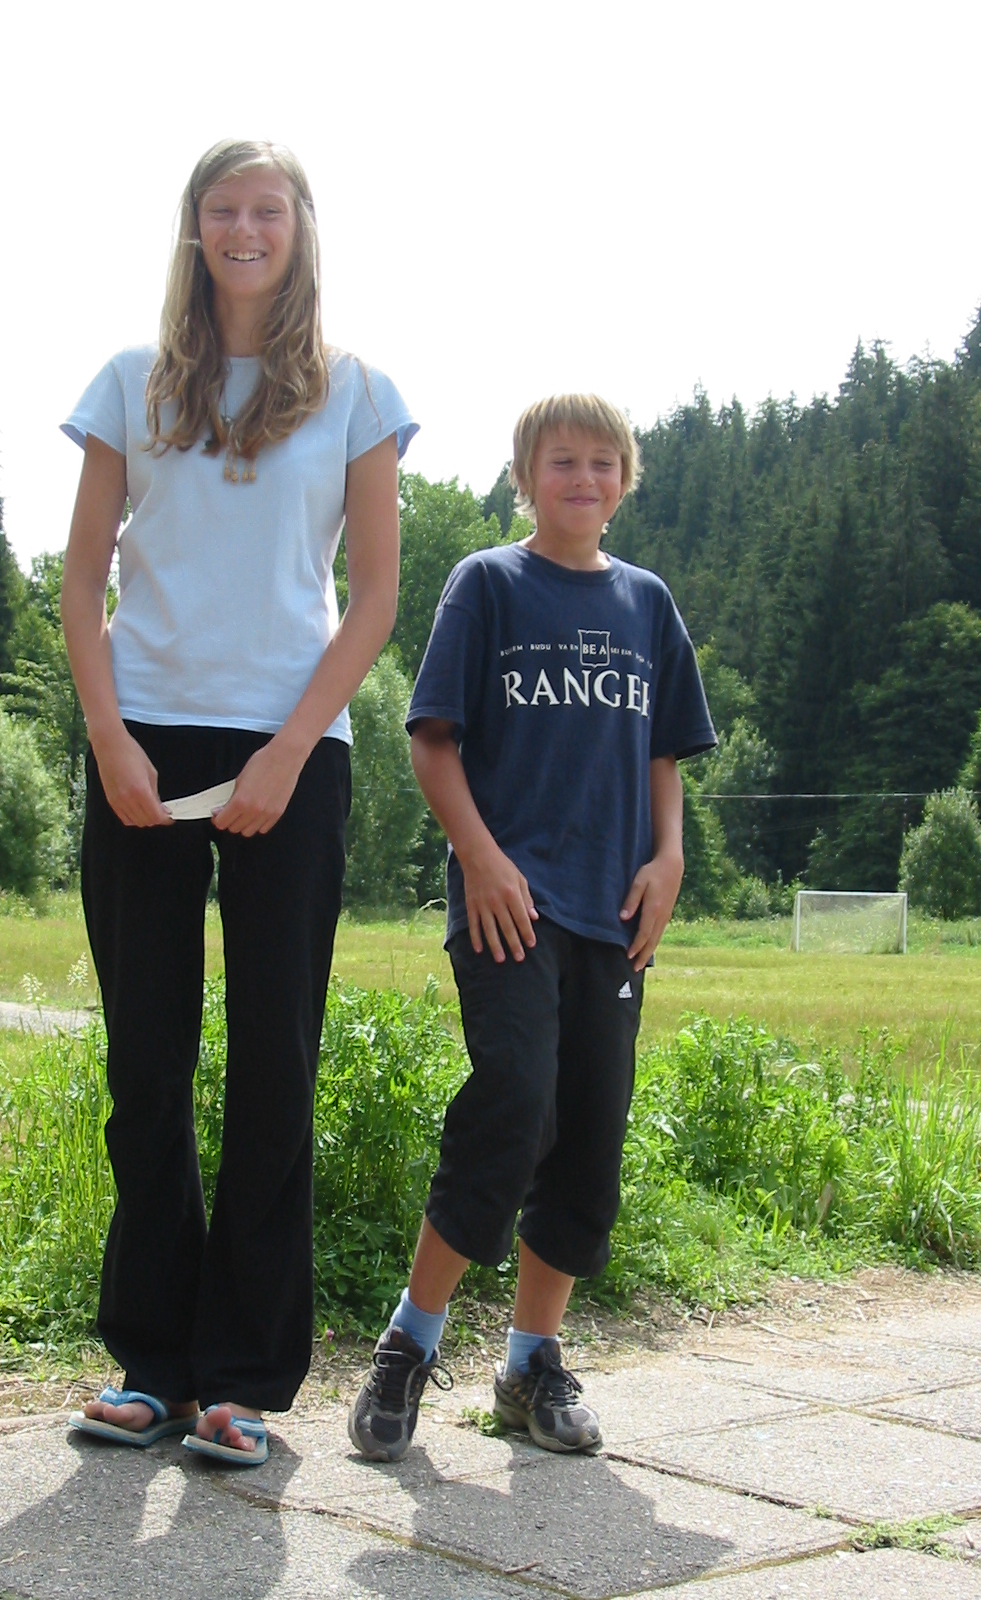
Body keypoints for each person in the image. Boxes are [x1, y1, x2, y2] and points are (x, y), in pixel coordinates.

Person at [60, 139, 416, 1465]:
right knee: (147, 1065)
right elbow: (81, 580)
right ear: (195, 227)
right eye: (223, 208)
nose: (244, 228)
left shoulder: (359, 393)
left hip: (291, 750)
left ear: (299, 227)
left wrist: (287, 752)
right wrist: (110, 740)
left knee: (275, 1065)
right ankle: (153, 1365)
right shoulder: (132, 383)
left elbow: (375, 595)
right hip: (142, 746)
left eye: (267, 208)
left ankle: (243, 1384)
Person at [349, 394, 715, 1462]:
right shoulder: (488, 584)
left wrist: (670, 859)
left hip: (615, 910)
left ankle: (530, 1366)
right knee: (515, 1101)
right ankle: (408, 1345)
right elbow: (432, 740)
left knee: (591, 1132)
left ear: (625, 480)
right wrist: (481, 859)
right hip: (508, 902)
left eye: (604, 462)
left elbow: (664, 755)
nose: (584, 479)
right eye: (563, 461)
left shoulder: (648, 603)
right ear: (526, 477)